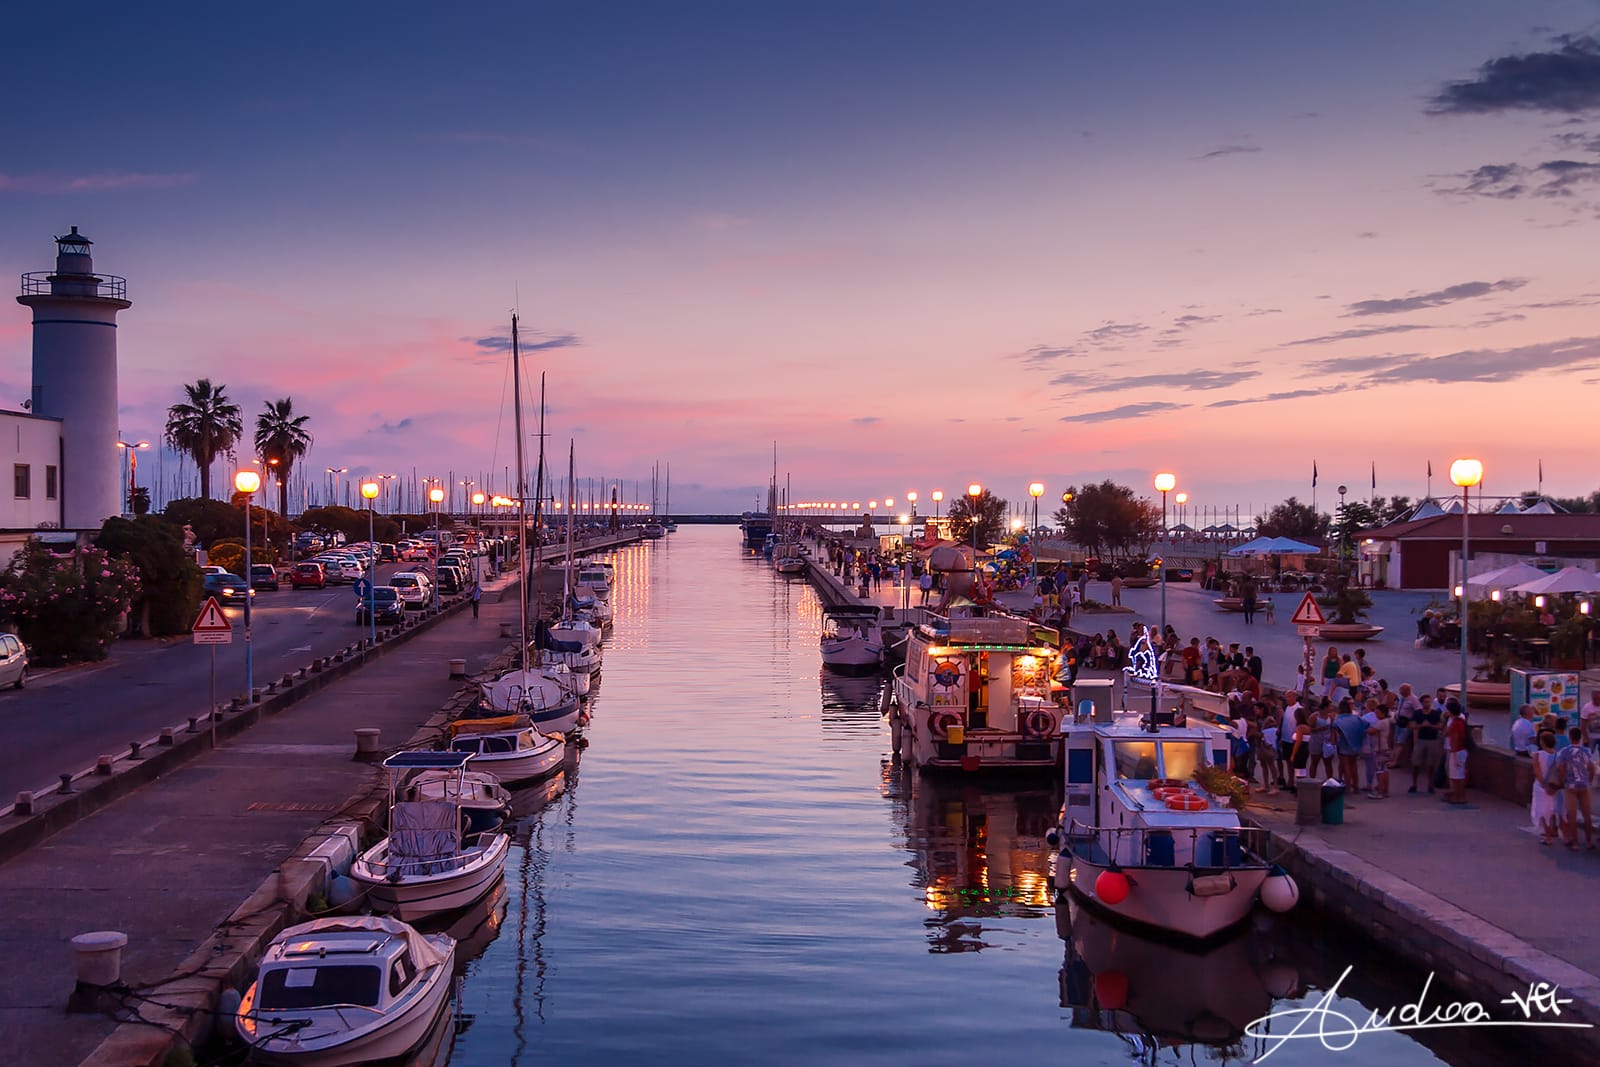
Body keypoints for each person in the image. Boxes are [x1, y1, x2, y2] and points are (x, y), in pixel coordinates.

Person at [1554, 726, 1596, 849]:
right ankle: (1589, 842)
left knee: (1572, 815)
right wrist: (1589, 780)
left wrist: (1563, 781)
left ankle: (1576, 843)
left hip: (1570, 785)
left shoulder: (1564, 752)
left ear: (1570, 737)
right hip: (1584, 785)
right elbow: (1591, 768)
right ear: (1581, 737)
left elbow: (1561, 768)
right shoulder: (1586, 751)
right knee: (1587, 815)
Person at [1532, 730, 1564, 846]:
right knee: (1552, 810)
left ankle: (1548, 836)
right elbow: (1561, 772)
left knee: (1542, 811)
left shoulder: (1537, 755)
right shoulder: (1558, 755)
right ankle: (1554, 831)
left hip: (1541, 786)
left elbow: (1537, 772)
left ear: (1542, 742)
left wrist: (1544, 785)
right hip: (1554, 785)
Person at [1410, 694, 1443, 794]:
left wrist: (1431, 726)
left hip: (1432, 740)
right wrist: (1421, 726)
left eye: (1429, 702)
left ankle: (1430, 784)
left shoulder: (1435, 713)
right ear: (1422, 703)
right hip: (1420, 740)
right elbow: (1411, 725)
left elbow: (1441, 726)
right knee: (1416, 763)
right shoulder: (1417, 713)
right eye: (1425, 702)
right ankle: (1414, 784)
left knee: (1431, 764)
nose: (1427, 704)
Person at [1332, 698, 1367, 790]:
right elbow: (1366, 725)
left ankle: (1347, 787)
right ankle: (1356, 786)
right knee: (1354, 765)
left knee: (1346, 766)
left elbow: (1336, 732)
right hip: (1355, 745)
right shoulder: (1356, 718)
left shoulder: (1338, 719)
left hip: (1344, 745)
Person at [1443, 699, 1470, 805]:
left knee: (1457, 776)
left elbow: (1454, 738)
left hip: (1457, 751)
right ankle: (1459, 795)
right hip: (1460, 751)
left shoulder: (1456, 723)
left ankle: (1460, 796)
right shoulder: (1459, 721)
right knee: (1457, 775)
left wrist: (1454, 754)